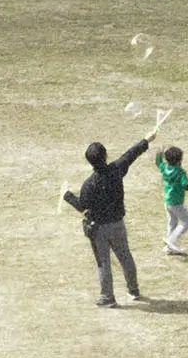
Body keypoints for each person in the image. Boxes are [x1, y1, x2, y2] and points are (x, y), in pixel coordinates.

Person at [64, 128, 157, 307]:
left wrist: (67, 196)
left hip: (98, 229)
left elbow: (82, 206)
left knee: (103, 263)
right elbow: (131, 154)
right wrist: (146, 140)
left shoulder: (89, 185)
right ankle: (133, 290)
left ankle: (107, 298)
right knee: (125, 256)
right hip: (117, 224)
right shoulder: (116, 170)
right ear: (105, 156)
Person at [156, 146, 188, 255]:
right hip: (177, 203)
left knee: (172, 223)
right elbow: (186, 185)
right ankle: (171, 240)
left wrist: (159, 152)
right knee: (187, 221)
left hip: (167, 201)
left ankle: (169, 247)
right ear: (179, 160)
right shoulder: (180, 172)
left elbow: (158, 162)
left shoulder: (164, 168)